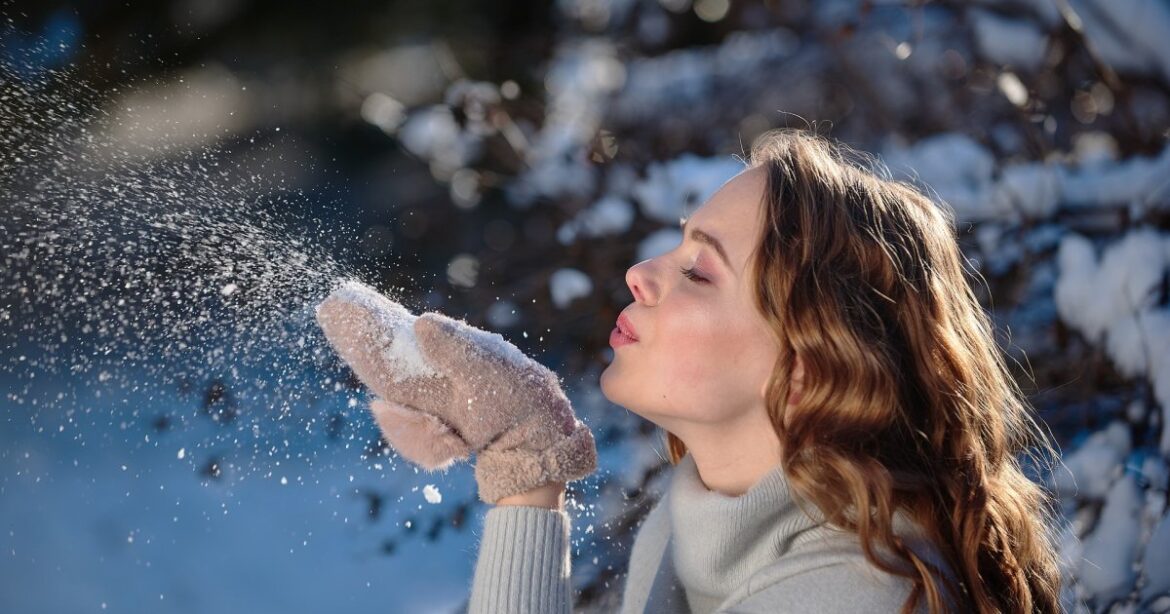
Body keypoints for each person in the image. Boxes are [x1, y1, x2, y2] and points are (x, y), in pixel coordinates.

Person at [315, 128, 1064, 613]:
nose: (642, 272)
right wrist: (525, 466)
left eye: (699, 272)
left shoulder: (856, 599)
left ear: (805, 369)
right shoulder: (692, 531)